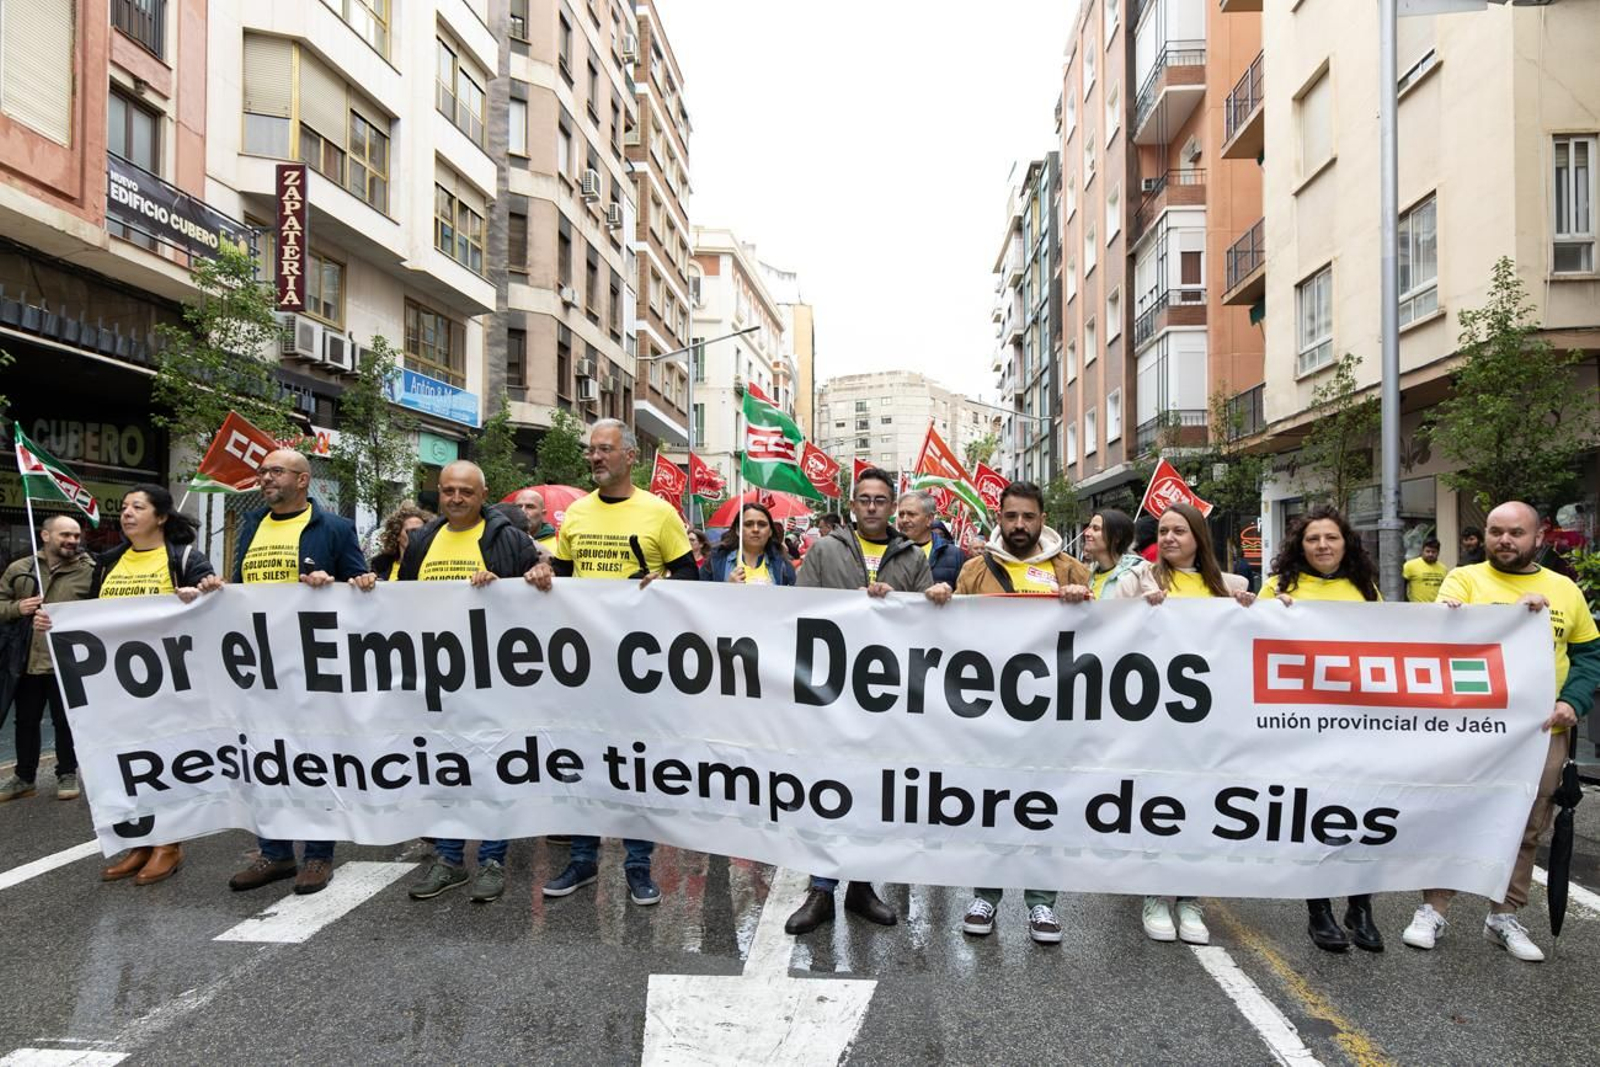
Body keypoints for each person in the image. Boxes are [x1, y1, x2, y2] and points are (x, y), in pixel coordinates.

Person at [1402, 501, 1600, 963]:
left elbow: (1589, 655)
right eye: (1495, 531)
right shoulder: (1463, 581)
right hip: (1471, 728)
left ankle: (1504, 915)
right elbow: (1440, 645)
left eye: (1515, 532)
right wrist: (1455, 616)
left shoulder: (1563, 589)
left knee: (1527, 824)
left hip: (1541, 731)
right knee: (1454, 813)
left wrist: (1573, 702)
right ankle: (1433, 907)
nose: (1504, 540)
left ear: (1538, 540)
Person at [525, 419, 700, 906]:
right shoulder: (577, 514)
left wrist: (664, 580)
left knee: (634, 764)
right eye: (592, 451)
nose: (596, 457)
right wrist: (543, 570)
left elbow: (690, 575)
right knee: (582, 759)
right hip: (582, 663)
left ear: (630, 458)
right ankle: (583, 860)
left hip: (639, 666)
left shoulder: (659, 513)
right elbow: (561, 572)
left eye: (606, 450)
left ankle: (638, 865)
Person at [782, 467, 952, 936]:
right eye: (864, 499)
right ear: (853, 505)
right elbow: (799, 611)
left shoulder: (912, 555)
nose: (873, 506)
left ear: (892, 505)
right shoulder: (824, 549)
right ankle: (820, 889)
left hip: (885, 694)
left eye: (881, 499)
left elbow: (923, 622)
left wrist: (934, 594)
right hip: (831, 691)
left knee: (872, 789)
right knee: (827, 789)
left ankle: (860, 885)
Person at [226, 448, 375, 896]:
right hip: (259, 664)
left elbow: (362, 590)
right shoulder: (252, 525)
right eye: (263, 471)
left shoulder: (334, 528)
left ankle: (317, 855)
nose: (265, 477)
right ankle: (273, 852)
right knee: (266, 758)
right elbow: (238, 589)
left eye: (275, 471)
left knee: (314, 757)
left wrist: (347, 582)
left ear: (303, 479)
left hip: (313, 666)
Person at [952, 481, 1089, 944]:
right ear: (1000, 517)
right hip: (990, 712)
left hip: (1051, 714)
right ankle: (985, 896)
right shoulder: (973, 570)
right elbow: (951, 634)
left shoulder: (1072, 570)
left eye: (1028, 517)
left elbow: (1099, 639)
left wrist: (1082, 605)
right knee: (991, 807)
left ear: (1042, 519)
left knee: (1043, 808)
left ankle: (1042, 904)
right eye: (1011, 516)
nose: (1019, 525)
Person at [402, 462, 539, 905]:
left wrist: (510, 585)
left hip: (494, 677)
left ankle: (493, 859)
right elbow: (400, 601)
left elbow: (534, 604)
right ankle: (449, 858)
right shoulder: (422, 540)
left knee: (494, 769)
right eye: (447, 491)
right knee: (446, 770)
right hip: (437, 678)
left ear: (483, 495)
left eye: (465, 491)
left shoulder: (509, 540)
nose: (455, 499)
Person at [1260, 506, 1385, 953]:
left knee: (1363, 816)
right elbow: (1250, 641)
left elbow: (1390, 646)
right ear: (1300, 545)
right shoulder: (1278, 588)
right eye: (1313, 539)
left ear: (1346, 542)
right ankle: (1319, 911)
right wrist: (1273, 615)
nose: (1323, 546)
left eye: (1331, 538)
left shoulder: (1366, 590)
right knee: (1315, 818)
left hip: (1356, 725)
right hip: (1302, 726)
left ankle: (1361, 907)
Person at [84, 485, 221, 884]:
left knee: (162, 762)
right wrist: (53, 622)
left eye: (137, 507)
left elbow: (215, 603)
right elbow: (89, 617)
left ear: (161, 517)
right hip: (114, 685)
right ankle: (141, 842)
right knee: (126, 763)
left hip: (169, 684)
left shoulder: (183, 559)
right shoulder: (108, 563)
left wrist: (198, 593)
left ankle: (169, 845)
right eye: (124, 507)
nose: (127, 513)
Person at [1140, 503, 1256, 945]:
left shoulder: (1232, 587)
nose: (1169, 538)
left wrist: (1253, 608)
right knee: (1155, 805)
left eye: (1179, 531)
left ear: (1198, 537)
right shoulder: (1140, 580)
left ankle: (1189, 899)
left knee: (1198, 808)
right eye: (1164, 531)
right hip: (1153, 717)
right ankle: (1153, 893)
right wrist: (1138, 609)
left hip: (1210, 722)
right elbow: (1106, 627)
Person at [0, 514, 93, 803]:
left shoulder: (89, 570)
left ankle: (66, 773)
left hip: (68, 661)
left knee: (66, 721)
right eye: (65, 535)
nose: (72, 541)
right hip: (26, 660)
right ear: (45, 536)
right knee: (25, 721)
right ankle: (23, 777)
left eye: (76, 536)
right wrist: (18, 608)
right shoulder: (20, 568)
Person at [702, 502, 796, 585]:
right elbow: (701, 599)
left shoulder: (784, 566)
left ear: (770, 531)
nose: (755, 529)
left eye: (762, 524)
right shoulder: (715, 560)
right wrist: (726, 588)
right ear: (738, 530)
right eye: (748, 524)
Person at [1080, 508, 1154, 599]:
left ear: (1116, 537)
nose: (1087, 533)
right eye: (1088, 528)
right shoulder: (1087, 577)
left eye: (1096, 529)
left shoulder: (1139, 572)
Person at [895, 492, 965, 586]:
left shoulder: (954, 555)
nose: (904, 520)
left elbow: (963, 595)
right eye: (901, 514)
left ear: (929, 519)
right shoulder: (890, 550)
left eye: (911, 514)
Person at [369, 504, 433, 581]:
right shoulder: (380, 565)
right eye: (410, 531)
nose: (416, 535)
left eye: (421, 531)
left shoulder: (432, 564)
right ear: (397, 535)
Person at [1402, 537, 1447, 603]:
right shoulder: (1410, 565)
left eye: (1433, 552)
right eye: (1427, 551)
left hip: (1437, 607)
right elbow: (1401, 588)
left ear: (1438, 553)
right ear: (1422, 551)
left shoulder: (1443, 569)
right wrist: (1406, 603)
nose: (1430, 554)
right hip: (1417, 607)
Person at [514, 489, 559, 554]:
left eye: (530, 507)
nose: (522, 511)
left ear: (543, 514)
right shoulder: (504, 540)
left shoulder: (559, 542)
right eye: (518, 507)